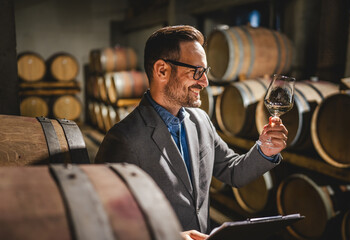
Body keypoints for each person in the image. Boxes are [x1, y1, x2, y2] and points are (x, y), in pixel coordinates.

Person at [95, 25, 288, 240]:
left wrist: (265, 150)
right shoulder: (123, 139)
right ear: (162, 70)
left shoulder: (201, 121)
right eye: (197, 72)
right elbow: (104, 221)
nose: (204, 82)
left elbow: (233, 172)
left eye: (205, 72)